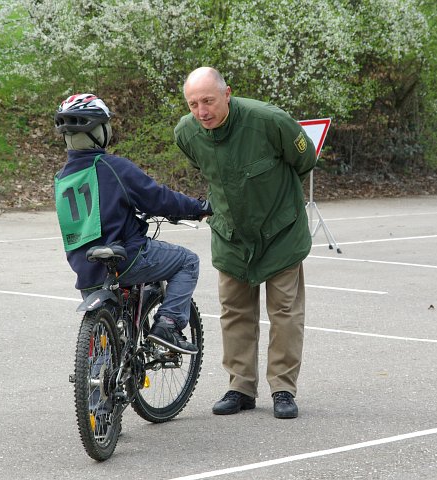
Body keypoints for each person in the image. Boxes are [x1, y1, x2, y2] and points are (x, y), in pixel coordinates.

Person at [174, 67, 317, 419]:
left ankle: (283, 388)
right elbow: (207, 171)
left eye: (208, 101)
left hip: (281, 232)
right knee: (234, 312)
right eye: (193, 104)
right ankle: (240, 387)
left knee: (284, 313)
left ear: (227, 94)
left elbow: (305, 160)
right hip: (231, 235)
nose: (201, 111)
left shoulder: (268, 121)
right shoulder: (187, 133)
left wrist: (275, 199)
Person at [54, 93, 212, 354]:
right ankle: (168, 325)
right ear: (98, 132)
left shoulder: (62, 179)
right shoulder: (112, 167)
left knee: (107, 345)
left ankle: (96, 378)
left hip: (86, 269)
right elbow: (158, 198)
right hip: (126, 259)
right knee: (188, 261)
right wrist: (198, 208)